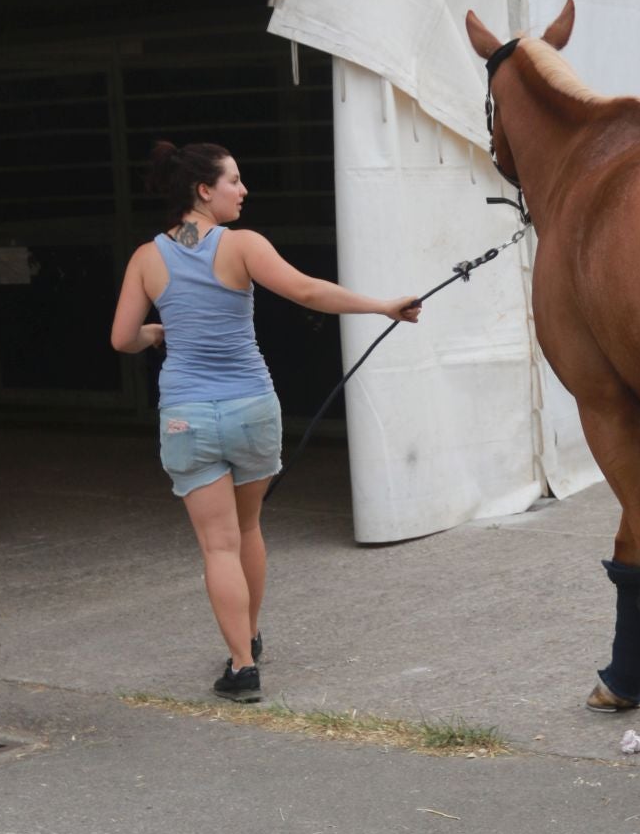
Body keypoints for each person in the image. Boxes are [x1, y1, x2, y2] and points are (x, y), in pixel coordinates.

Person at [110, 140, 421, 703]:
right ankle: (249, 635)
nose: (243, 190)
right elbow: (307, 291)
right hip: (251, 409)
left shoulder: (146, 258)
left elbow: (121, 339)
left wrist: (154, 332)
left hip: (187, 418)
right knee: (248, 528)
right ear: (203, 190)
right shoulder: (243, 246)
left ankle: (242, 664)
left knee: (218, 546)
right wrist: (383, 306)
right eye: (234, 180)